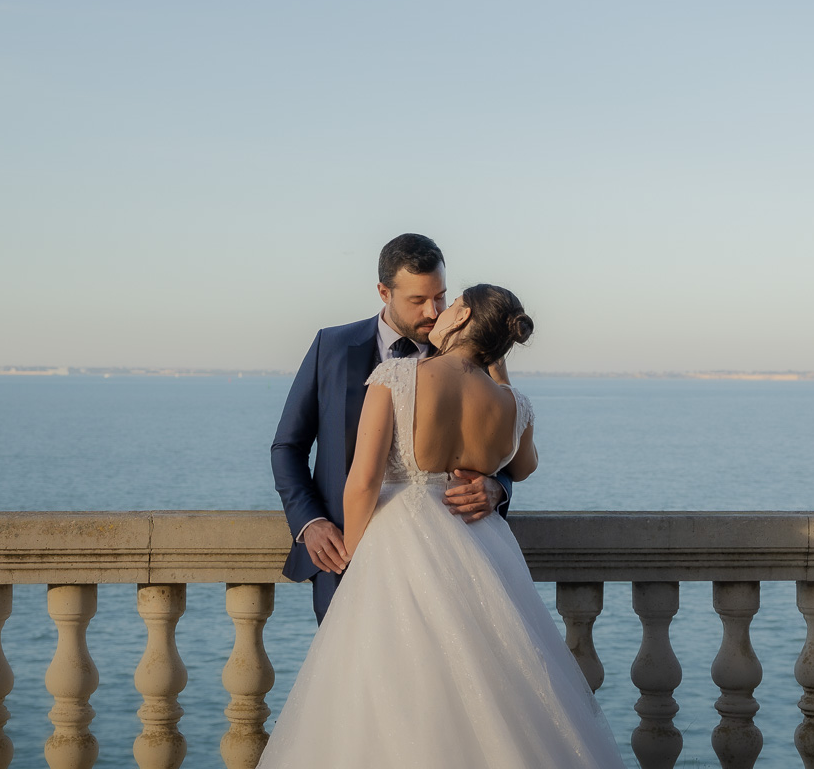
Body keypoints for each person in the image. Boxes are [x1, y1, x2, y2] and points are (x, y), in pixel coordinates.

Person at [258, 284, 624, 768]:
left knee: (395, 690)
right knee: (494, 685)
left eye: (450, 304)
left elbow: (363, 481)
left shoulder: (398, 376)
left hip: (399, 543)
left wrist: (354, 552)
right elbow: (524, 466)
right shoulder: (514, 404)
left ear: (462, 315)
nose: (439, 311)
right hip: (482, 547)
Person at [271, 234, 511, 621]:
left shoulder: (470, 358)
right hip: (341, 559)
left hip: (443, 562)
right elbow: (287, 446)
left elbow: (507, 446)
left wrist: (497, 488)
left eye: (441, 296)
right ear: (384, 291)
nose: (433, 311)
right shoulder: (329, 346)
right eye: (418, 300)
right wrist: (309, 522)